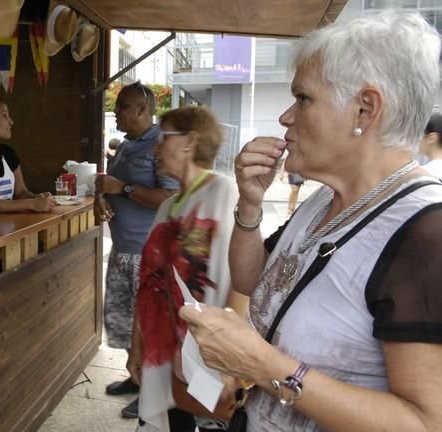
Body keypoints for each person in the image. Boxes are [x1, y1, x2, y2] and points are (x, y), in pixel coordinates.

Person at [180, 11, 442, 432]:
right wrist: (249, 206)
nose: (286, 117)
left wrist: (263, 365)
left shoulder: (425, 232)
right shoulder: (326, 198)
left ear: (364, 109)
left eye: (303, 98)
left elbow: (425, 423)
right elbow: (255, 281)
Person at [127, 106, 248, 432]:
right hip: (163, 349)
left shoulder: (223, 192)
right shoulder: (168, 206)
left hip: (205, 351)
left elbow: (243, 278)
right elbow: (150, 281)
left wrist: (231, 352)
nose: (155, 147)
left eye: (163, 137)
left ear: (189, 142)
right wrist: (136, 345)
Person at [95, 81, 179, 419]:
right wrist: (102, 199)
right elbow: (112, 187)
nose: (116, 111)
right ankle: (134, 376)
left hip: (148, 252)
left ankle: (151, 391)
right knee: (127, 320)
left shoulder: (160, 146)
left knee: (148, 324)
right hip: (123, 249)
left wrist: (124, 188)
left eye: (122, 106)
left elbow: (172, 198)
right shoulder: (128, 145)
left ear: (143, 109)